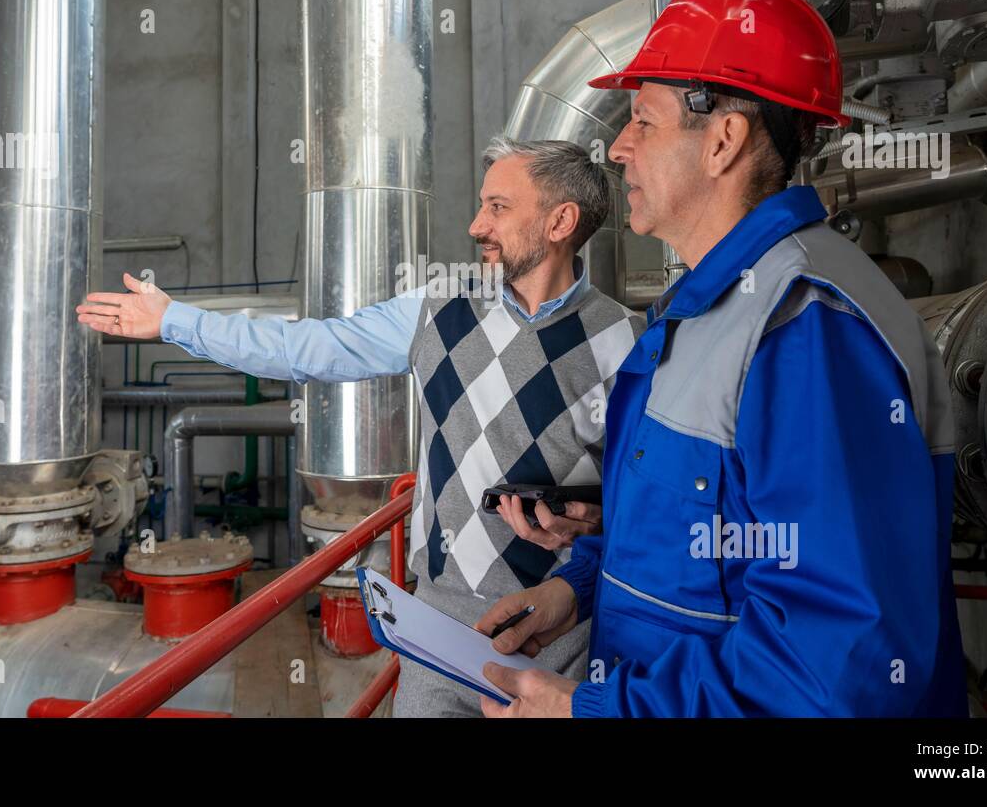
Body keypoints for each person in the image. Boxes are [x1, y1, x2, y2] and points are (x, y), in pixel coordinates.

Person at [473, 0, 966, 718]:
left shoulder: (806, 328)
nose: (618, 147)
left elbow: (834, 666)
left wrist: (596, 711)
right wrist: (574, 591)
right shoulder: (702, 311)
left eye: (643, 120)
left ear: (724, 141)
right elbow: (716, 535)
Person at [77, 137, 644, 717]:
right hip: (439, 628)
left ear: (561, 221)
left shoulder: (626, 341)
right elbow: (306, 348)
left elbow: (646, 500)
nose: (476, 225)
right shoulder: (438, 308)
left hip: (559, 631)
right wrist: (176, 320)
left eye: (498, 207)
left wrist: (596, 517)